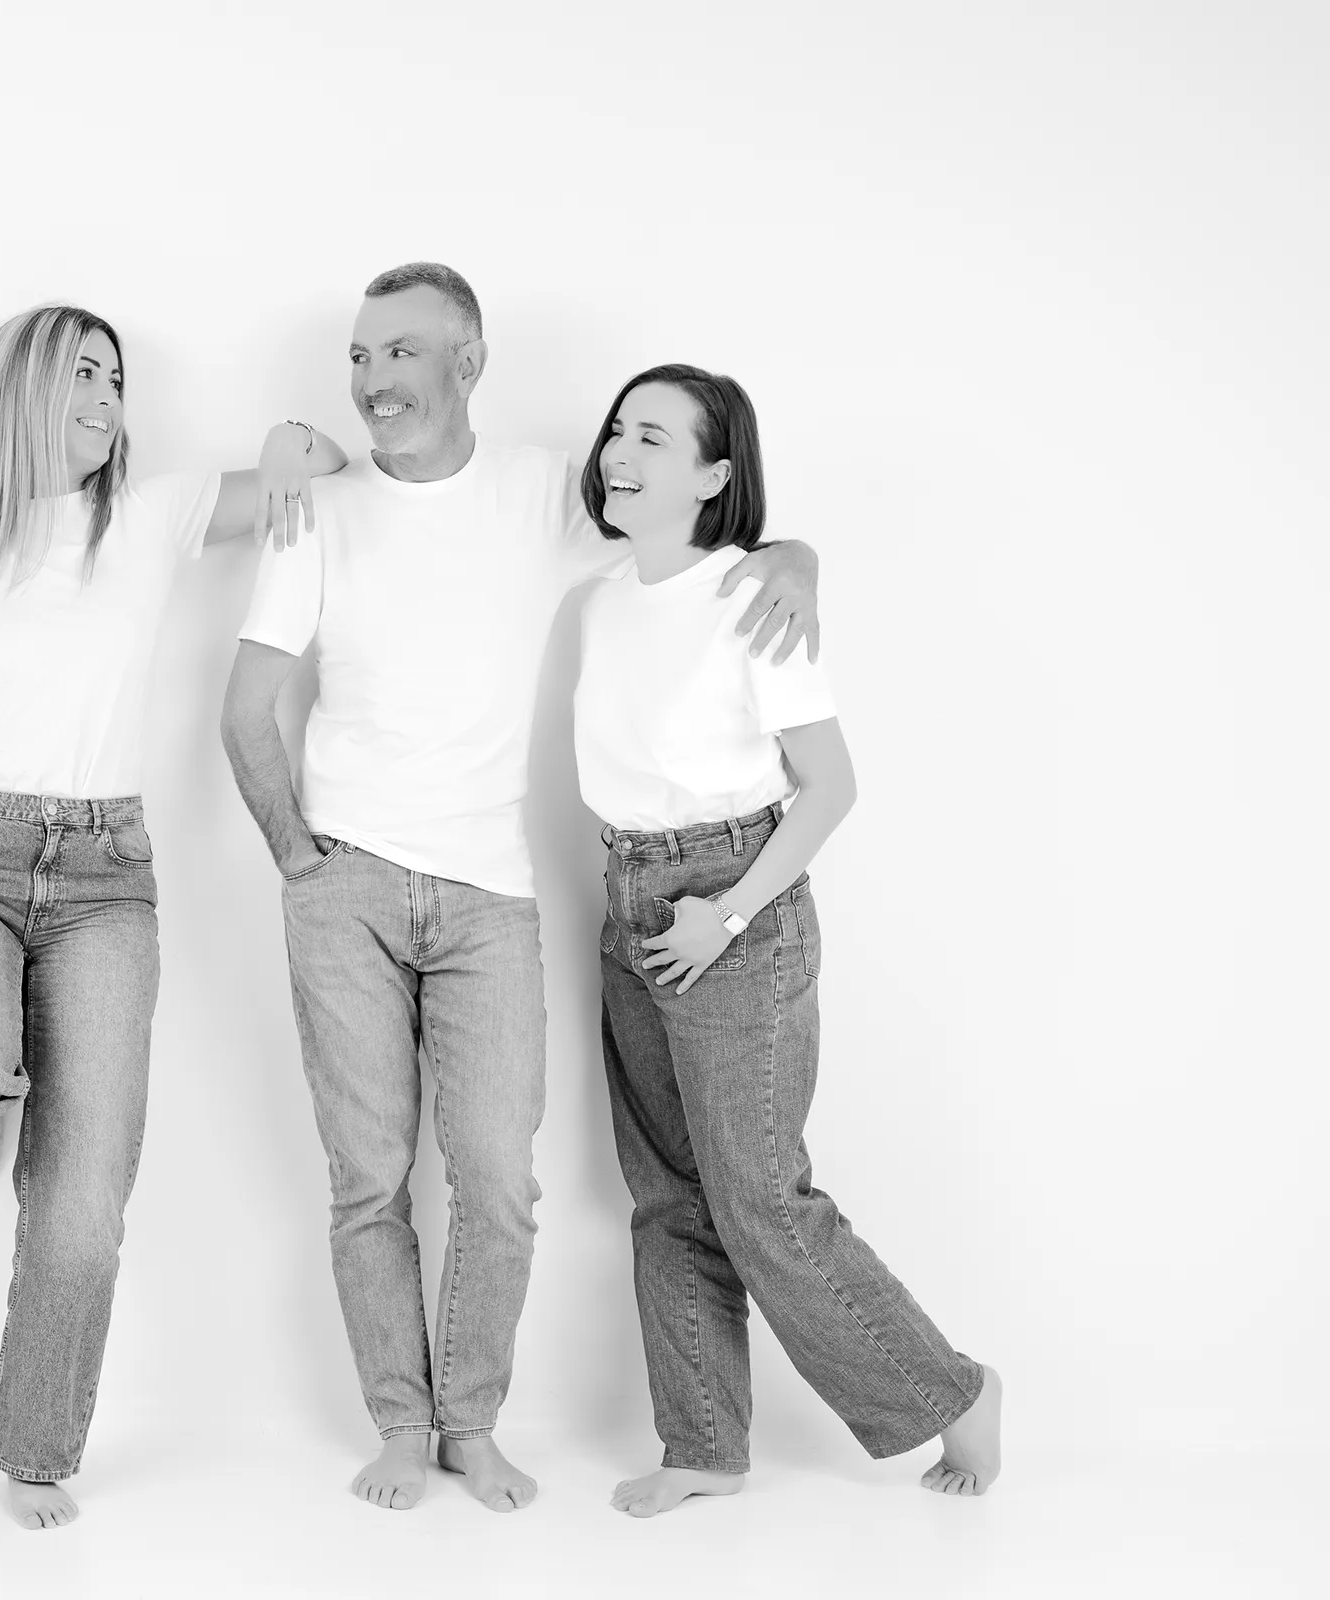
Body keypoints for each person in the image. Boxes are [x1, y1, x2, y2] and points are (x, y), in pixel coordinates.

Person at [220, 265, 821, 1514]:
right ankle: (400, 1422)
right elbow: (245, 712)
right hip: (346, 879)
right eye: (359, 357)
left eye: (401, 353)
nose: (373, 381)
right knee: (367, 1177)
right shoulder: (319, 509)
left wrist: (798, 553)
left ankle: (471, 1422)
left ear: (469, 360)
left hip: (491, 888)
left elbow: (699, 538)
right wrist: (298, 860)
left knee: (497, 1176)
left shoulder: (551, 490)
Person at [0, 303, 344, 1530]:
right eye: (83, 373)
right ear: (24, 389)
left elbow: (316, 469)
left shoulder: (155, 514)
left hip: (108, 871)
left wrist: (291, 438)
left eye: (117, 378)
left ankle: (34, 1448)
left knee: (85, 1191)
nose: (108, 397)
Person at [572, 364, 1001, 1517]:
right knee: (670, 1195)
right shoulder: (604, 596)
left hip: (733, 905)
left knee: (760, 1196)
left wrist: (731, 912)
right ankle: (703, 1444)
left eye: (654, 438)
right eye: (618, 429)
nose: (621, 449)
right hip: (629, 900)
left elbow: (831, 786)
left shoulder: (754, 599)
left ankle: (952, 1392)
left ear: (715, 476)